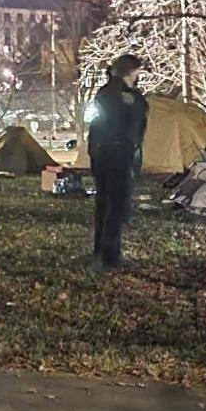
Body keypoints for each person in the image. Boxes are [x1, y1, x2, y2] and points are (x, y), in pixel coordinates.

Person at [87, 54, 148, 269]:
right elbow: (136, 122)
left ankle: (100, 251)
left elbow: (95, 125)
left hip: (101, 154)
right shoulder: (128, 97)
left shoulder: (103, 93)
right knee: (116, 206)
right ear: (131, 72)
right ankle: (110, 257)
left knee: (103, 204)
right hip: (120, 156)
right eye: (137, 72)